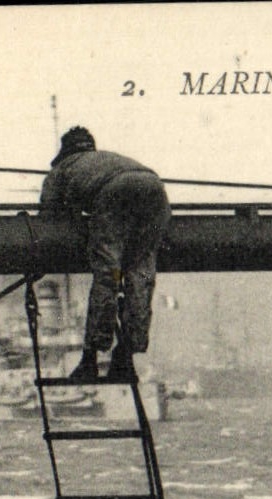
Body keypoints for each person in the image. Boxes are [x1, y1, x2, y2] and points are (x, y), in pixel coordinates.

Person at [39, 127, 171, 383]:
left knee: (108, 277)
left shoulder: (62, 169)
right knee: (140, 278)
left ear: (64, 151)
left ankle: (91, 358)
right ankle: (126, 356)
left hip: (115, 194)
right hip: (155, 191)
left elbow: (48, 220)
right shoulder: (108, 159)